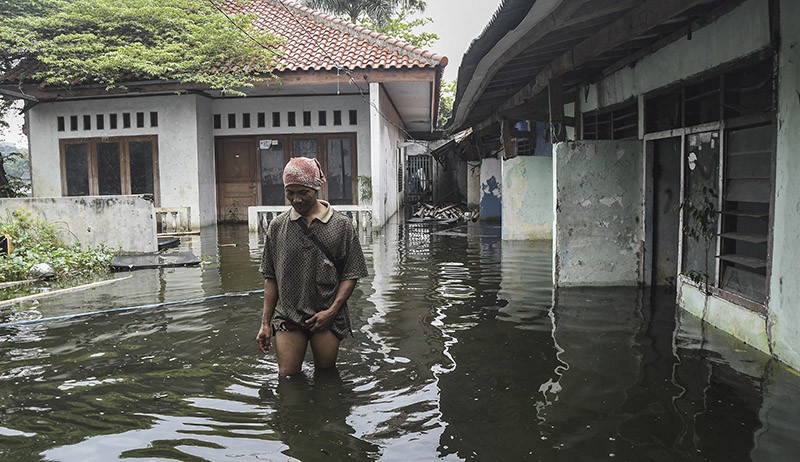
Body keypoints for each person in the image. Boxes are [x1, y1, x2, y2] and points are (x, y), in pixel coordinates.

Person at [256, 157, 368, 376]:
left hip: (325, 315)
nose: (296, 199)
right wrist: (265, 323)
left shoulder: (341, 225)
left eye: (303, 192)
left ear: (316, 188)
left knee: (326, 376)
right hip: (288, 314)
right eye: (290, 192)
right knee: (288, 376)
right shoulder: (278, 226)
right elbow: (270, 277)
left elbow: (351, 273)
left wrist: (332, 311)